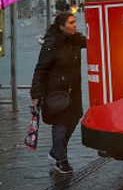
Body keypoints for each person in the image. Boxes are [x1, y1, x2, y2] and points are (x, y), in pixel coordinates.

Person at [30, 12, 87, 175]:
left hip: (73, 91)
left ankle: (56, 151)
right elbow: (41, 69)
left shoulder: (76, 40)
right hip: (56, 92)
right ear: (61, 27)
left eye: (75, 22)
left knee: (75, 118)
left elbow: (94, 39)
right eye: (71, 23)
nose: (75, 25)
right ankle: (61, 160)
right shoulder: (52, 44)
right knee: (60, 125)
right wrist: (36, 94)